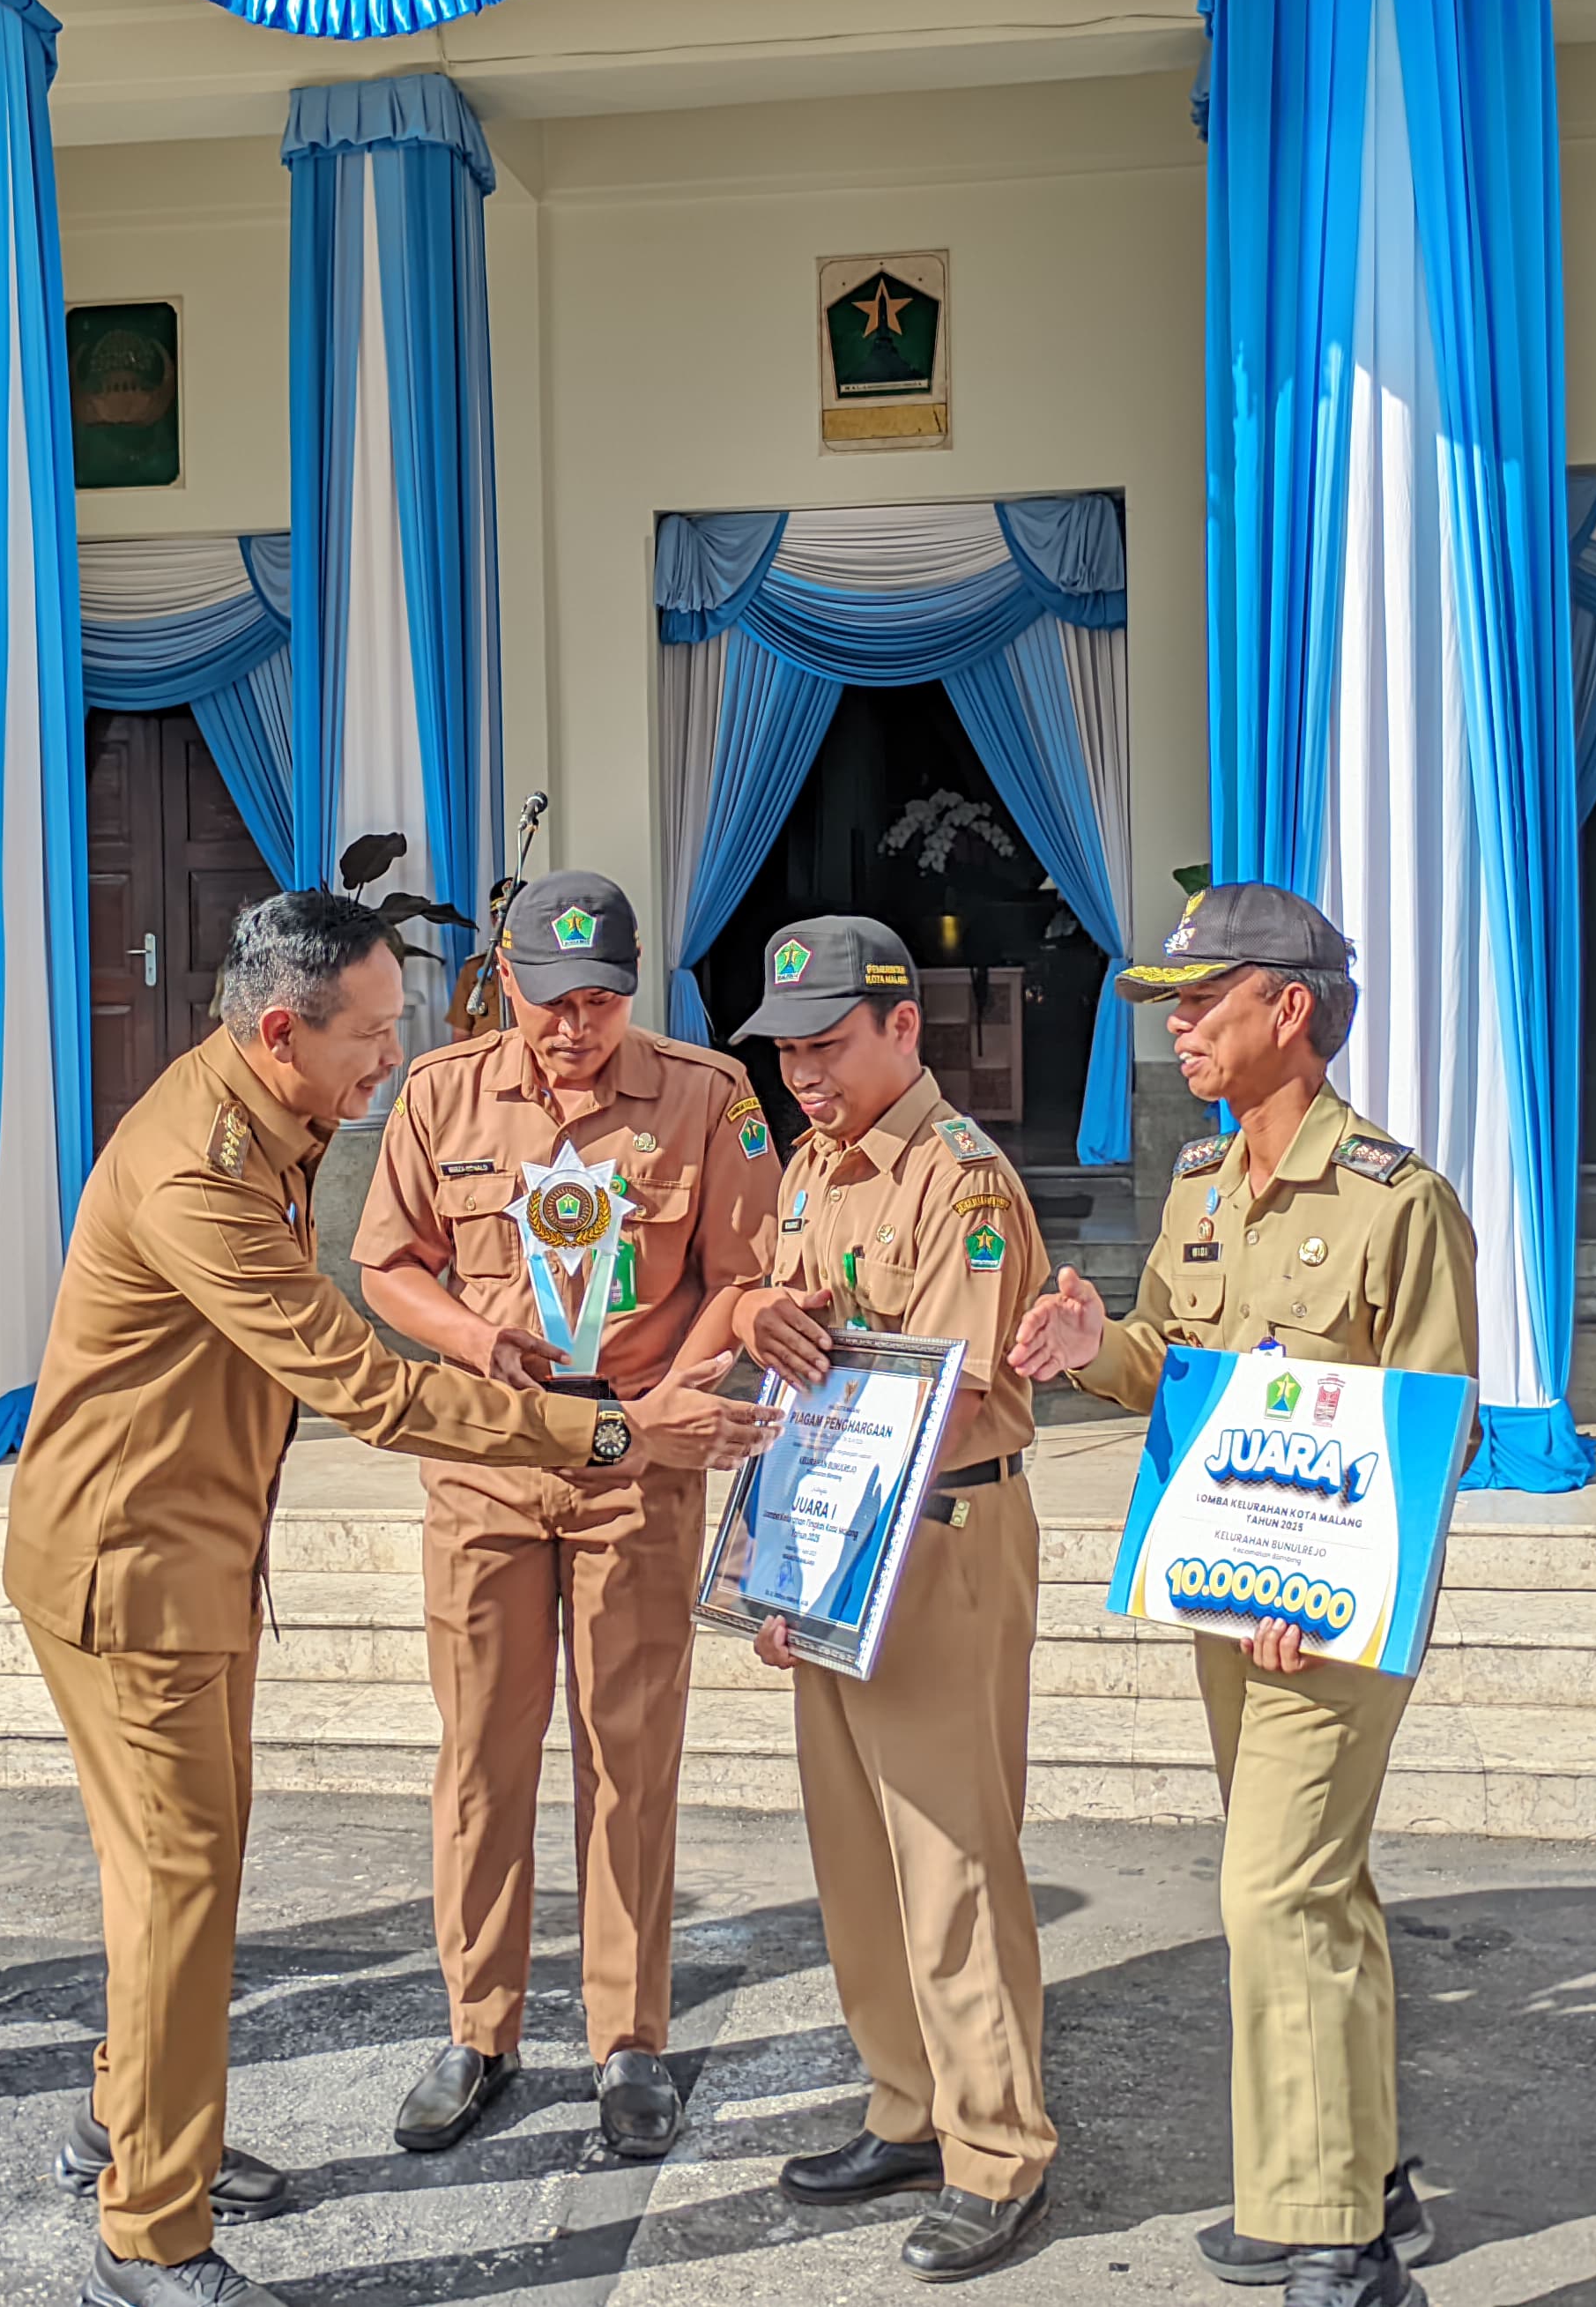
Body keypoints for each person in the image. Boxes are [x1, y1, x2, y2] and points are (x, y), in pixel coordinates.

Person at [1, 887, 778, 2307]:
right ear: (282, 1031)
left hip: (185, 1558)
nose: (392, 1055)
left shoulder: (267, 1122)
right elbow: (364, 1382)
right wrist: (612, 1428)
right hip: (135, 1571)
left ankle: (137, 2128)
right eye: (370, 1032)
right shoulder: (204, 1171)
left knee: (180, 1878)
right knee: (178, 1887)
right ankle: (151, 2233)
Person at [1008, 885, 1467, 2307]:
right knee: (1316, 1891)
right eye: (1172, 1005)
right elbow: (1172, 1360)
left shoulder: (1397, 1200)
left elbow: (1433, 1429)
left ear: (1293, 1008)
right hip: (1230, 1596)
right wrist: (1094, 1344)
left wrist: (1323, 1591)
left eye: (1204, 1002)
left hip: (1334, 1618)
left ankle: (1340, 2243)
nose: (1179, 1027)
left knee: (1274, 1892)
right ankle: (1345, 2178)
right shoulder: (1204, 1185)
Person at [353, 872, 782, 2162]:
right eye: (550, 1001)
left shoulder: (708, 1096)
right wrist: (473, 1338)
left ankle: (627, 2036)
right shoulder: (441, 1093)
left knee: (627, 1754)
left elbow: (741, 1276)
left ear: (632, 989)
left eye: (598, 1001)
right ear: (507, 983)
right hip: (487, 1454)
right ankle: (478, 2030)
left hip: (634, 1464)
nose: (573, 1028)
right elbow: (387, 1263)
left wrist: (670, 1400)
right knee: (483, 1753)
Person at [723, 915, 1058, 2286]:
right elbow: (787, 1323)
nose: (804, 1075)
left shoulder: (962, 1181)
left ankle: (998, 2151)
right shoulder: (813, 1167)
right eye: (786, 1052)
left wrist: (823, 1543)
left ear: (902, 1027)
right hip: (839, 1530)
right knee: (856, 1851)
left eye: (828, 1045)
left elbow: (950, 1391)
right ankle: (907, 2106)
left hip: (937, 1531)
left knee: (951, 1857)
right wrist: (753, 1317)